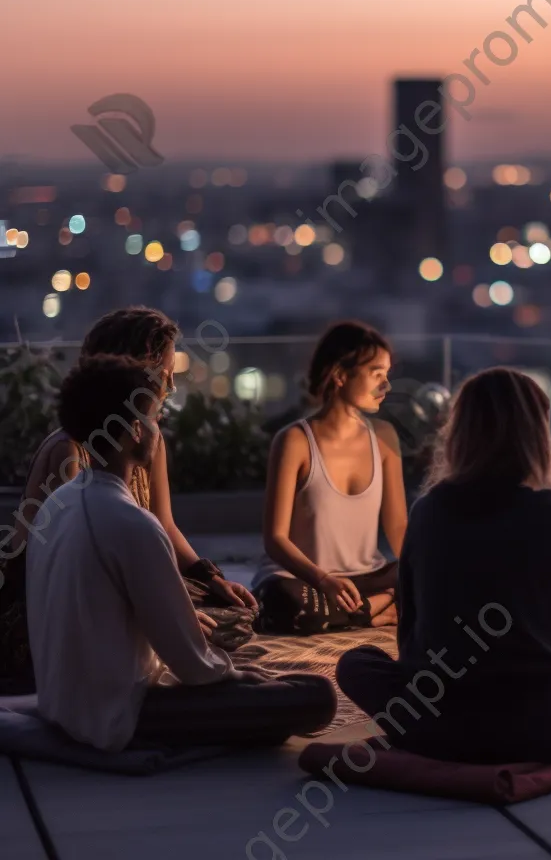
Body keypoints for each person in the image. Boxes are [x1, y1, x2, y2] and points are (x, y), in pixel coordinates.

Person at [26, 355, 336, 752]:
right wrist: (237, 674)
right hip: (118, 714)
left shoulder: (58, 505)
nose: (159, 430)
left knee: (261, 681)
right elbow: (193, 665)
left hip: (61, 702)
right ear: (135, 431)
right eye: (155, 419)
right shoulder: (132, 523)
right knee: (315, 696)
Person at [336, 368, 551, 764]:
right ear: (536, 436)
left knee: (356, 662)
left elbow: (410, 633)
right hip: (544, 731)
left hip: (433, 728)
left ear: (459, 433)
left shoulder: (428, 512)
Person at [0, 307, 255, 693]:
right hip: (53, 608)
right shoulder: (70, 452)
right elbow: (68, 564)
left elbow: (164, 525)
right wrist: (166, 614)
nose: (170, 387)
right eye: (164, 374)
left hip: (117, 582)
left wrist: (210, 578)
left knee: (234, 614)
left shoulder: (150, 442)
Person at [253, 321, 407, 634]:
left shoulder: (385, 437)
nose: (386, 386)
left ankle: (368, 608)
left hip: (367, 577)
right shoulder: (294, 441)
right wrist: (323, 579)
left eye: (387, 375)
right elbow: (275, 539)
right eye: (376, 374)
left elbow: (398, 527)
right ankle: (376, 610)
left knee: (427, 579)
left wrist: (423, 576)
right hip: (302, 580)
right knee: (284, 603)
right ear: (340, 374)